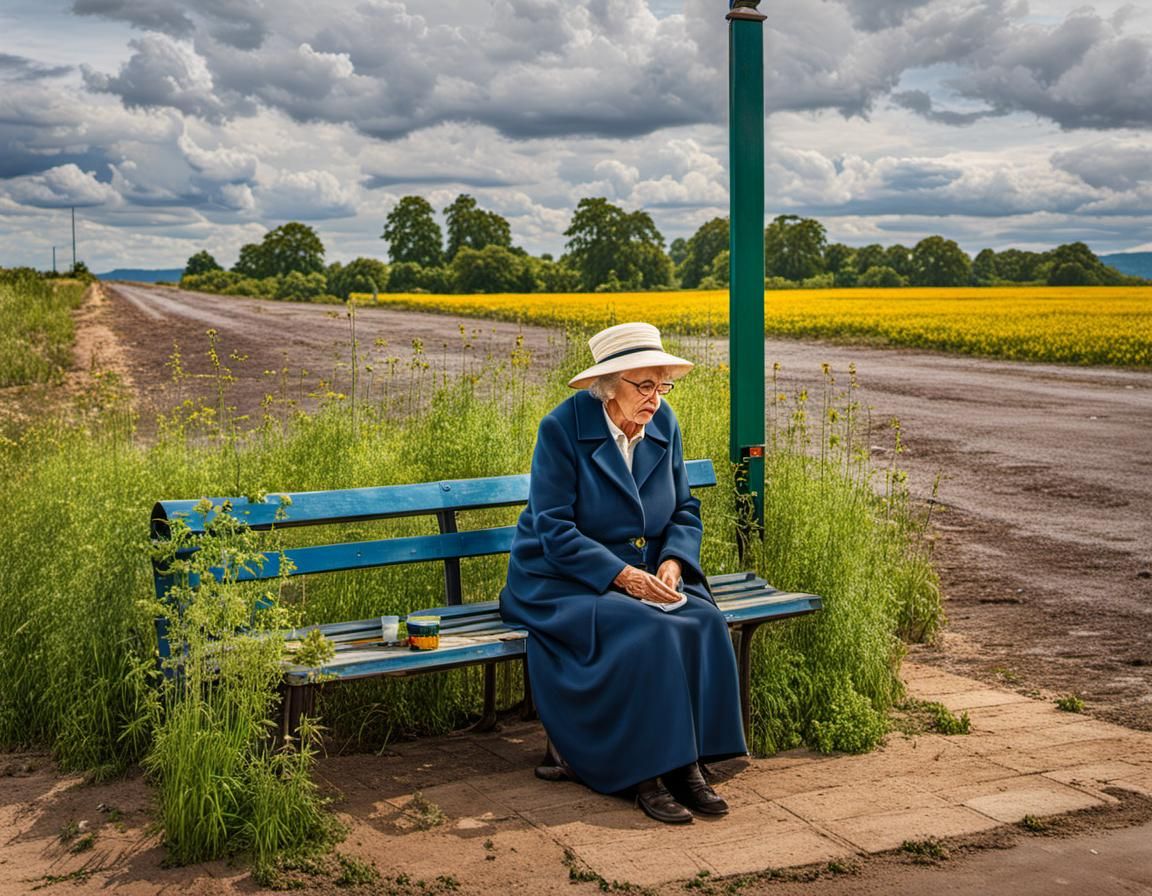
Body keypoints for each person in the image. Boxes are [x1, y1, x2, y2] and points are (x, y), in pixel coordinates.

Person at [500, 322, 747, 825]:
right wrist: (622, 577)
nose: (655, 399)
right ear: (609, 385)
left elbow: (684, 509)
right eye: (645, 385)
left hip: (646, 571)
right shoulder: (561, 428)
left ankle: (688, 764)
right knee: (649, 631)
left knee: (704, 622)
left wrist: (674, 561)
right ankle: (644, 773)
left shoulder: (664, 424)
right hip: (561, 576)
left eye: (662, 385)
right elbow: (553, 529)